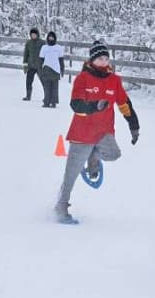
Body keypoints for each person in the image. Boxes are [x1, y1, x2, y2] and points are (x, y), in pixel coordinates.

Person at [54, 40, 140, 224]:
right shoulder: (83, 78)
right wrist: (94, 106)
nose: (103, 61)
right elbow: (75, 105)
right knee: (72, 173)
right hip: (82, 132)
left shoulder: (114, 80)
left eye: (106, 58)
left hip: (104, 132)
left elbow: (125, 104)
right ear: (92, 60)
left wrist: (134, 126)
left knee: (114, 154)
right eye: (99, 58)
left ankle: (93, 158)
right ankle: (61, 207)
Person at [39, 31, 65, 108]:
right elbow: (41, 60)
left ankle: (53, 102)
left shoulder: (58, 48)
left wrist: (62, 69)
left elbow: (61, 60)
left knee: (54, 87)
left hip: (56, 69)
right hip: (46, 68)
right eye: (49, 37)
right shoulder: (44, 47)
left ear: (55, 38)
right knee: (47, 87)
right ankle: (46, 102)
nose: (51, 38)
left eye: (52, 37)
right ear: (47, 38)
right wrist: (40, 69)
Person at [22, 28, 45, 101]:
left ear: (37, 35)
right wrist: (25, 65)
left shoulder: (42, 43)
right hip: (31, 65)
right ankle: (28, 96)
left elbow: (46, 53)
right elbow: (26, 54)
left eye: (34, 34)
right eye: (32, 34)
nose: (33, 36)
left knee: (44, 82)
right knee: (28, 81)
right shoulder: (28, 43)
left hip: (40, 66)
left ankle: (47, 96)